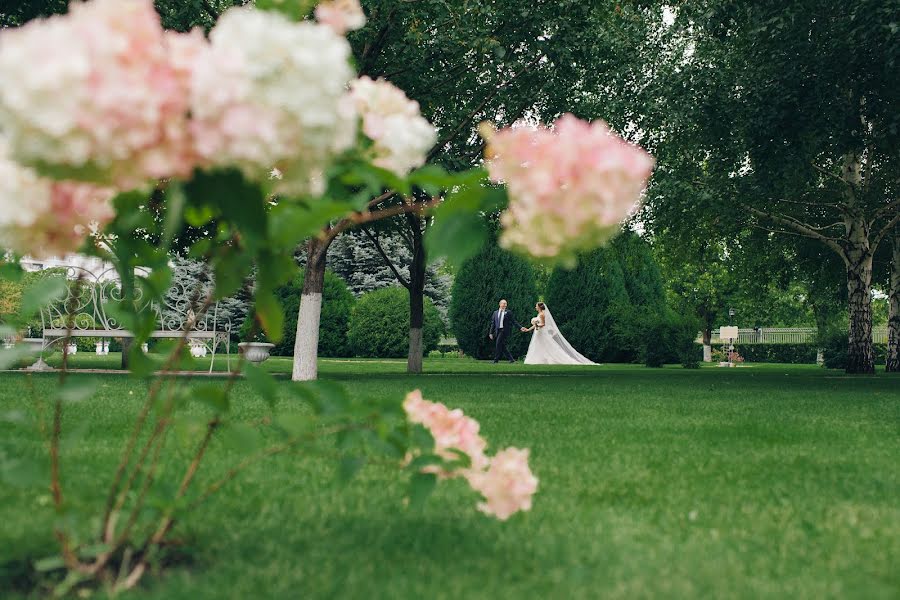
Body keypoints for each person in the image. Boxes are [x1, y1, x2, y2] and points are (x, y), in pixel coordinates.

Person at [523, 302, 597, 365]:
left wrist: (536, 324)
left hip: (542, 332)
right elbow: (536, 324)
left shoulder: (542, 314)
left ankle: (552, 358)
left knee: (548, 345)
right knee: (539, 345)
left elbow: (543, 324)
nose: (535, 307)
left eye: (536, 306)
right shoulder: (539, 314)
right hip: (538, 332)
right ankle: (541, 359)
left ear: (539, 307)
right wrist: (528, 329)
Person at [488, 299, 525, 363]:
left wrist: (520, 327)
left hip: (504, 331)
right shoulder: (495, 313)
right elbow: (493, 323)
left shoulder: (508, 312)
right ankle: (511, 359)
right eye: (503, 303)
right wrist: (490, 333)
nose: (505, 305)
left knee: (498, 344)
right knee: (502, 346)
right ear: (500, 304)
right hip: (497, 331)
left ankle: (496, 360)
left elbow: (513, 321)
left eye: (506, 304)